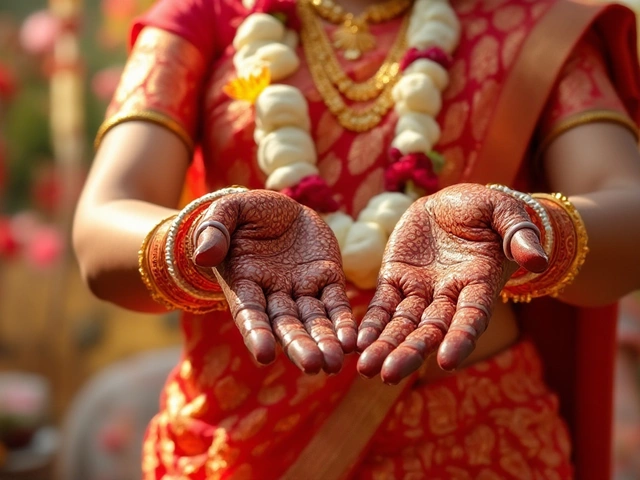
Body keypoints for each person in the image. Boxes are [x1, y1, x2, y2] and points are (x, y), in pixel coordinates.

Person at [72, 0, 640, 477]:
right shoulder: (203, 19)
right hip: (241, 445)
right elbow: (102, 222)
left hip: (473, 440)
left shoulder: (531, 24)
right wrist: (201, 237)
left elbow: (625, 203)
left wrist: (519, 225)